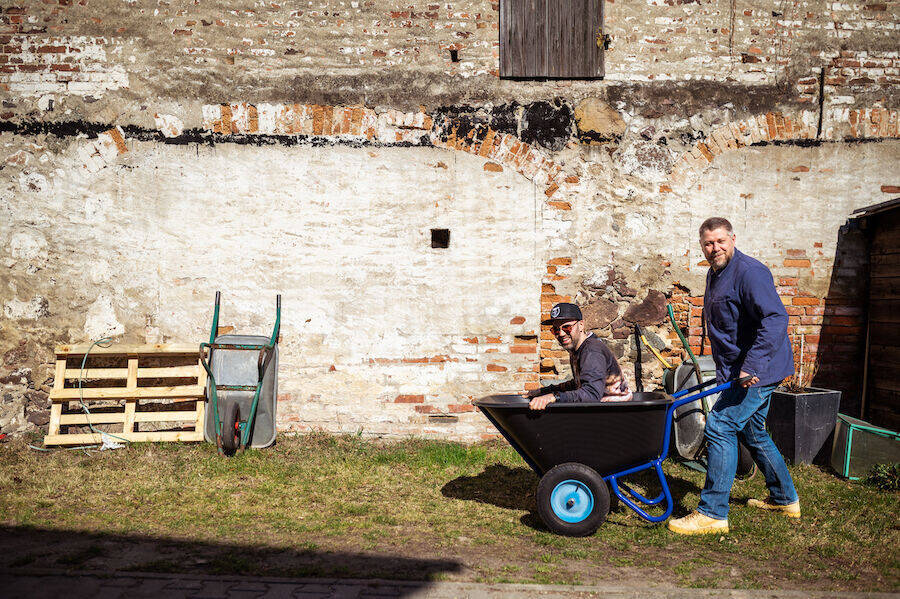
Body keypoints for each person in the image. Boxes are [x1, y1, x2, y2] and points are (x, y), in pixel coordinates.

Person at [667, 217, 800, 535]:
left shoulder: (750, 272)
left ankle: (712, 512)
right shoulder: (716, 273)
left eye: (720, 241)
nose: (715, 248)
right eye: (708, 244)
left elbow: (775, 319)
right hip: (741, 370)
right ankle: (785, 499)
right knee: (754, 432)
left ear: (733, 239)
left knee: (720, 426)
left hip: (758, 371)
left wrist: (750, 366)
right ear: (702, 246)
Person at [527, 302, 632, 410]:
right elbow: (579, 383)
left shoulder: (591, 351)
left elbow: (591, 394)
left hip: (613, 413)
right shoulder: (577, 349)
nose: (561, 334)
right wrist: (545, 391)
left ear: (581, 325)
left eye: (567, 327)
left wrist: (555, 397)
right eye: (556, 330)